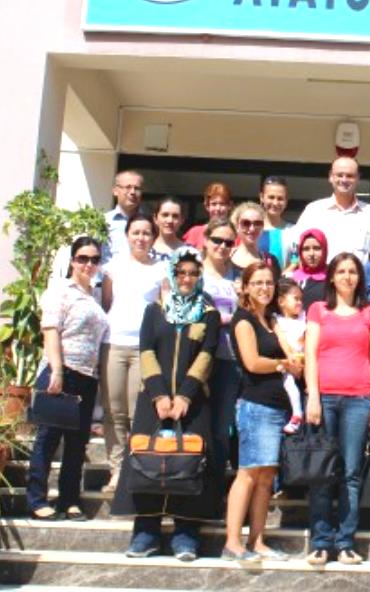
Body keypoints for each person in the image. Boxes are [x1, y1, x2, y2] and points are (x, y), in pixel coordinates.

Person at [115, 247, 220, 561]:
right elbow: (146, 351)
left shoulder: (208, 313)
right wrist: (160, 395)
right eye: (180, 273)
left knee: (189, 465)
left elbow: (207, 354)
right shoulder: (155, 310)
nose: (186, 279)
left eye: (192, 273)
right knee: (148, 463)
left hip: (193, 403)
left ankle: (186, 535)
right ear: (172, 276)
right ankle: (145, 533)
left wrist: (185, 394)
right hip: (154, 402)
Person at [304, 252, 370, 566]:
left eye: (353, 271)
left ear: (359, 277)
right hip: (324, 399)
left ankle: (346, 542)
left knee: (351, 474)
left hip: (359, 399)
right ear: (332, 277)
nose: (347, 277)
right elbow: (311, 355)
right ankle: (321, 542)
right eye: (341, 271)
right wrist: (312, 396)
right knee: (322, 472)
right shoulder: (318, 310)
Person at [27, 237, 109, 521]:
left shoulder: (94, 295)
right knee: (48, 439)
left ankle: (69, 500)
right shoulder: (60, 290)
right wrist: (57, 370)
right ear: (73, 260)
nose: (88, 264)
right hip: (62, 372)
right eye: (83, 258)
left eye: (94, 259)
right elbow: (51, 331)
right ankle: (37, 500)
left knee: (77, 443)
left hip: (87, 377)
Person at [222, 262, 300, 563]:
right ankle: (232, 542)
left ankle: (257, 540)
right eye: (257, 283)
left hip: (276, 406)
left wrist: (291, 359)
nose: (264, 288)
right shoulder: (243, 320)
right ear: (245, 287)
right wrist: (282, 364)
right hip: (255, 405)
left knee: (266, 477)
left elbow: (291, 354)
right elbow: (253, 362)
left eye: (269, 283)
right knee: (248, 474)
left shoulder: (269, 319)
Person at [100, 213, 167, 491]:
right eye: (136, 232)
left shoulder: (161, 269)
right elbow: (106, 304)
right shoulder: (113, 267)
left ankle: (136, 467)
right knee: (113, 411)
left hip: (145, 348)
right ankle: (116, 470)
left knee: (137, 411)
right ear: (127, 235)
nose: (141, 238)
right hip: (113, 344)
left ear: (153, 237)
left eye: (146, 233)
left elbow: (164, 308)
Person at [200, 218, 240, 474]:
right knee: (198, 420)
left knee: (222, 424)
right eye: (217, 240)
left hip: (230, 357)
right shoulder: (195, 272)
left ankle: (215, 481)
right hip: (199, 356)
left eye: (229, 242)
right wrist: (225, 318)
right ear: (206, 240)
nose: (223, 246)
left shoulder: (238, 275)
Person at [295, 157, 370, 262]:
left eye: (349, 176)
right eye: (339, 175)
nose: (344, 180)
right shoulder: (313, 211)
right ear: (331, 177)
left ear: (358, 178)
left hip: (360, 273)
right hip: (324, 273)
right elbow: (296, 247)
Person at [275, 277, 306, 433]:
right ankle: (297, 413)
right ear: (281, 301)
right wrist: (290, 357)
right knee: (288, 382)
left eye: (301, 299)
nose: (299, 302)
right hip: (288, 360)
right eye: (295, 299)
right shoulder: (277, 320)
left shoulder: (304, 318)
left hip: (304, 359)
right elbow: (281, 340)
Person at [102, 170, 144, 263]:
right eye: (128, 187)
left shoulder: (149, 223)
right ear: (115, 191)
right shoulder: (103, 221)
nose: (132, 192)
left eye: (137, 188)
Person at [230, 202, 279, 277]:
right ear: (236, 226)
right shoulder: (225, 258)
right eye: (246, 223)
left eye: (257, 223)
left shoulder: (271, 261)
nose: (252, 229)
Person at [183, 182, 234, 250]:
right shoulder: (195, 232)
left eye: (222, 204)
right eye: (214, 204)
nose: (218, 208)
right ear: (207, 206)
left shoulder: (236, 234)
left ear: (229, 206)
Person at [259, 176, 296, 270]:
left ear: (286, 201)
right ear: (262, 197)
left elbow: (296, 260)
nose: (275, 203)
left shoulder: (294, 231)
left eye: (280, 198)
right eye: (271, 197)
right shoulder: (252, 229)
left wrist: (283, 276)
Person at [291, 228, 328, 311]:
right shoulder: (292, 279)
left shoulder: (333, 277)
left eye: (317, 248)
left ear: (325, 249)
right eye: (306, 249)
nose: (311, 254)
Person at [150, 196, 185, 262]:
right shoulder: (145, 252)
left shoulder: (190, 253)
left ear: (182, 220)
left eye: (175, 216)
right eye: (165, 215)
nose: (170, 220)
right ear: (155, 218)